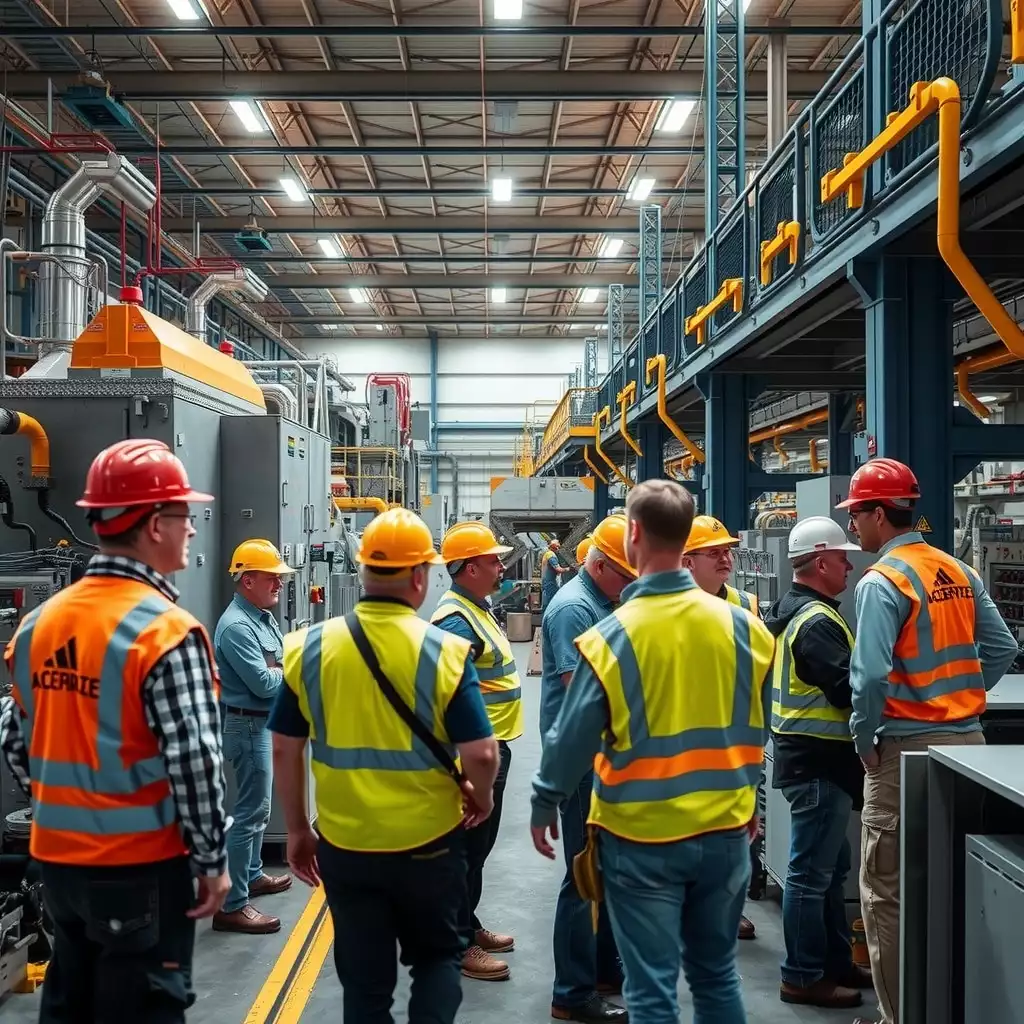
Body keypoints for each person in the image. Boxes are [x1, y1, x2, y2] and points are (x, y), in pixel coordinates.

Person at [0, 438, 230, 1024]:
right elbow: (196, 761)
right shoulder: (164, 631)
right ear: (154, 525)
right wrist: (211, 861)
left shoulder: (38, 625)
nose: (192, 530)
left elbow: (14, 738)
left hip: (57, 866)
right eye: (183, 515)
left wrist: (63, 811)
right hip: (140, 869)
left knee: (70, 1003)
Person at [531, 479, 776, 1024]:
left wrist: (544, 801)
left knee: (651, 991)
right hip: (724, 832)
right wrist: (747, 807)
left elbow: (573, 740)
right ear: (687, 538)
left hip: (641, 837)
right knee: (715, 979)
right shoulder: (747, 629)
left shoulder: (611, 637)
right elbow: (756, 730)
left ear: (634, 533)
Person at [269, 507, 499, 1024]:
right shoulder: (444, 651)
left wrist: (297, 830)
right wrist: (479, 797)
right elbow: (483, 753)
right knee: (437, 962)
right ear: (420, 576)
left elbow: (285, 747)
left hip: (347, 847)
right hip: (428, 846)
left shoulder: (310, 648)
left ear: (363, 571)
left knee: (365, 985)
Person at [837, 458, 1018, 1024]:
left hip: (904, 754)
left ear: (877, 514)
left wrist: (864, 738)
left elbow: (866, 677)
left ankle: (898, 1017)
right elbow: (1003, 648)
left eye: (856, 515)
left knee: (888, 892)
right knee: (958, 884)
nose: (851, 529)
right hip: (970, 745)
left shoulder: (881, 581)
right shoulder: (957, 571)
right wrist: (961, 695)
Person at [763, 516, 872, 1009]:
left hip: (810, 764)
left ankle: (832, 963)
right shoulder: (817, 623)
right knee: (811, 877)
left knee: (827, 873)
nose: (850, 566)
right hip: (819, 767)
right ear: (822, 561)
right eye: (843, 558)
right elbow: (850, 690)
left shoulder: (797, 610)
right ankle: (803, 975)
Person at [540, 514, 634, 1024]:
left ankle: (602, 968)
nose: (630, 584)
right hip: (581, 763)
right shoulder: (576, 608)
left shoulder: (603, 601)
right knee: (580, 878)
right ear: (597, 565)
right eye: (623, 574)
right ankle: (572, 995)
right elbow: (585, 691)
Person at [430, 521, 523, 982]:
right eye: (491, 559)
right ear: (468, 568)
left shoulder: (476, 609)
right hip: (473, 754)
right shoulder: (454, 621)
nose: (499, 565)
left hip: (492, 746)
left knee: (478, 849)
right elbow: (448, 698)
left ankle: (468, 923)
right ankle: (458, 942)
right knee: (465, 850)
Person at [681, 513, 760, 940]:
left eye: (728, 550)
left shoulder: (745, 605)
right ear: (688, 562)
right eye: (715, 553)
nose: (726, 558)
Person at [211, 539, 295, 935]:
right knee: (248, 814)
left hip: (263, 722)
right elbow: (264, 682)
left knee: (259, 809)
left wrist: (279, 665)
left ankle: (254, 874)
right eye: (271, 578)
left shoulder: (262, 617)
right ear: (247, 580)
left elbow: (276, 661)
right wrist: (286, 668)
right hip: (247, 725)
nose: (279, 584)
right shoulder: (236, 627)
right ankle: (233, 904)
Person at [542, 538, 569, 611]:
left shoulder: (547, 554)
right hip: (550, 583)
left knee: (547, 603)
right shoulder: (551, 555)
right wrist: (569, 568)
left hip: (547, 582)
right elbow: (558, 569)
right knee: (552, 604)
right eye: (558, 546)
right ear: (555, 547)